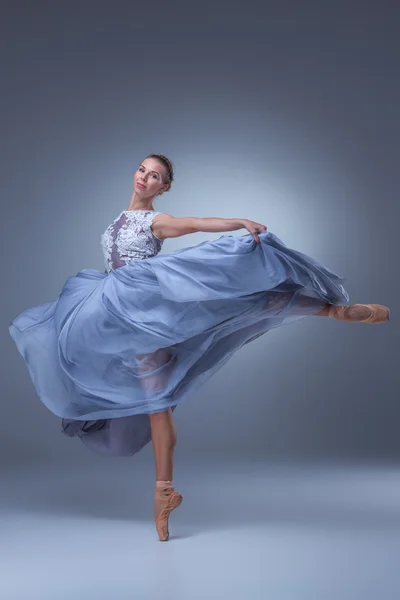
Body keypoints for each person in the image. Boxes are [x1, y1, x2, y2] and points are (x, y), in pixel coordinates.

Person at [9, 153, 390, 541]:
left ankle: (332, 309)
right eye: (142, 170)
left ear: (164, 187)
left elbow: (193, 225)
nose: (145, 177)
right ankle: (164, 492)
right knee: (157, 400)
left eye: (154, 176)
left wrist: (237, 221)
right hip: (120, 310)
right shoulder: (114, 223)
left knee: (167, 384)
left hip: (140, 308)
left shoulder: (155, 221)